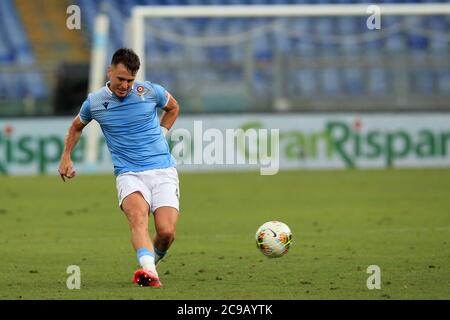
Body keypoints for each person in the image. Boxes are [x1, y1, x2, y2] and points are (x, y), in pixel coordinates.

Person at [58, 48, 180, 287]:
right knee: (138, 218)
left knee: (166, 233)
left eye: (130, 80)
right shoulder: (94, 102)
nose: (125, 85)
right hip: (129, 173)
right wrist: (66, 157)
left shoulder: (150, 91)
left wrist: (162, 132)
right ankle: (149, 274)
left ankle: (150, 264)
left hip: (163, 171)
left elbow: (174, 107)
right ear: (109, 72)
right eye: (120, 79)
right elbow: (75, 127)